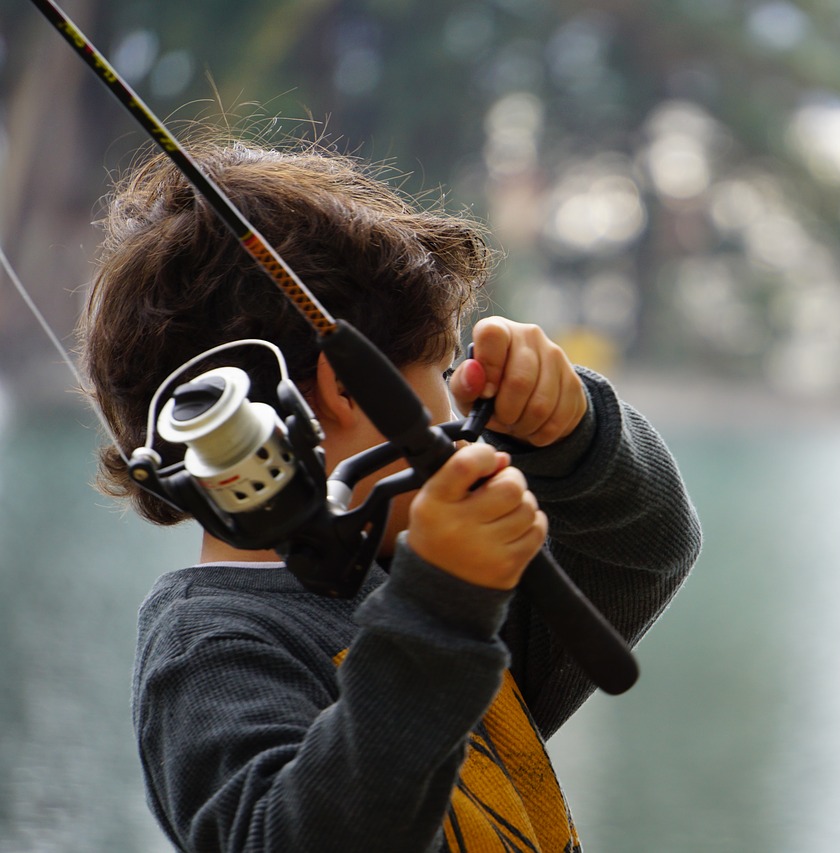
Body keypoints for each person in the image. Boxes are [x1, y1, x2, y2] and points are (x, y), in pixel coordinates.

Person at [78, 135, 702, 852]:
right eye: (441, 371)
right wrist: (440, 607)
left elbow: (641, 552)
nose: (460, 399)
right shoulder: (213, 646)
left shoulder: (411, 584)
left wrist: (575, 436)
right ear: (347, 387)